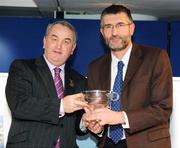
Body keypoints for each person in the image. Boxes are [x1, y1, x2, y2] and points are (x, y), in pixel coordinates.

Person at [84, 4, 173, 148]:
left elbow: (163, 109)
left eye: (120, 25)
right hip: (108, 144)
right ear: (102, 32)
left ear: (131, 28)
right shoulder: (95, 67)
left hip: (147, 144)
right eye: (108, 27)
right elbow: (97, 111)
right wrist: (98, 128)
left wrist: (119, 117)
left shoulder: (156, 57)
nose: (114, 33)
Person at [5, 20, 88, 148]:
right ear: (44, 42)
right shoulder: (22, 68)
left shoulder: (80, 80)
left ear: (72, 49)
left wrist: (85, 122)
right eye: (54, 39)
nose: (59, 46)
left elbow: (74, 125)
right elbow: (19, 105)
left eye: (66, 41)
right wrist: (61, 106)